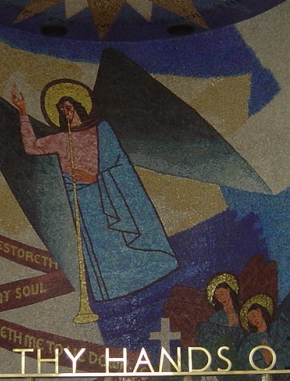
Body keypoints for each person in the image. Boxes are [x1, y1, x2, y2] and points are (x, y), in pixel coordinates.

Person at [11, 79, 177, 302]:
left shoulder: (100, 131)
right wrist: (22, 111)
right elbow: (31, 147)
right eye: (61, 110)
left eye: (68, 107)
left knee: (118, 241)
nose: (65, 113)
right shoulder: (60, 140)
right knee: (99, 249)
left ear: (79, 107)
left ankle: (146, 274)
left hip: (104, 195)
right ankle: (113, 289)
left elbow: (117, 159)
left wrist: (94, 176)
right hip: (79, 200)